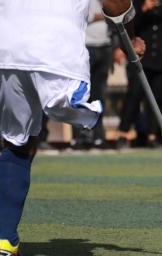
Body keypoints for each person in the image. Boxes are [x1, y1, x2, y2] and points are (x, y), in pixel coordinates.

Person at [0, 0, 145, 256]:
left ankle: (4, 239)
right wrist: (132, 38)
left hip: (4, 50)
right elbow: (116, 4)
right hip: (57, 49)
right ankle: (81, 108)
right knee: (71, 107)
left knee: (17, 143)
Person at [120, 0, 162, 148]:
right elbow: (131, 26)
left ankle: (152, 135)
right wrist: (144, 9)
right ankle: (122, 134)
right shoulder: (139, 3)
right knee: (133, 96)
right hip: (142, 59)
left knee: (157, 99)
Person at [71, 0, 115, 150]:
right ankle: (79, 137)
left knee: (100, 94)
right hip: (86, 47)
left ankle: (98, 136)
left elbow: (115, 17)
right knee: (81, 94)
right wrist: (100, 16)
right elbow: (78, 17)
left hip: (105, 46)